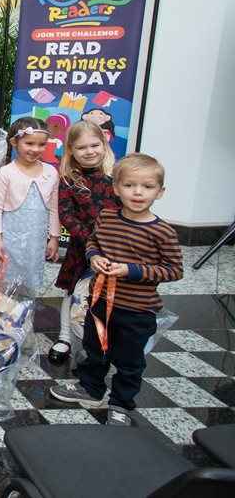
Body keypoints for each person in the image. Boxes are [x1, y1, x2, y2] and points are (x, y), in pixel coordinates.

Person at [50, 153, 183, 427]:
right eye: (130, 185)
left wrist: (131, 270)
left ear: (160, 192)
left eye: (147, 187)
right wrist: (94, 257)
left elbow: (173, 270)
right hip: (99, 301)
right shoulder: (107, 217)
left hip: (137, 309)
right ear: (116, 188)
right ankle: (91, 389)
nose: (137, 192)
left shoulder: (163, 232)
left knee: (129, 360)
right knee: (93, 348)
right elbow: (93, 244)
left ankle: (121, 404)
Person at [48, 121, 119, 365]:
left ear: (104, 144)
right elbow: (66, 214)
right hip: (82, 248)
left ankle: (98, 339)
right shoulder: (69, 179)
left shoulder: (115, 177)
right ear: (71, 150)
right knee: (73, 291)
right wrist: (89, 239)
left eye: (94, 145)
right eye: (81, 147)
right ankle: (65, 337)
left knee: (105, 292)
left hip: (113, 248)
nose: (89, 151)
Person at [0, 117, 61, 294]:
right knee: (5, 282)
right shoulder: (6, 173)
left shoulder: (51, 172)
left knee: (30, 283)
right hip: (10, 239)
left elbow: (53, 208)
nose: (35, 149)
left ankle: (25, 316)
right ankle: (1, 317)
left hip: (35, 242)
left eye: (41, 145)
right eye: (29, 143)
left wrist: (53, 237)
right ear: (14, 142)